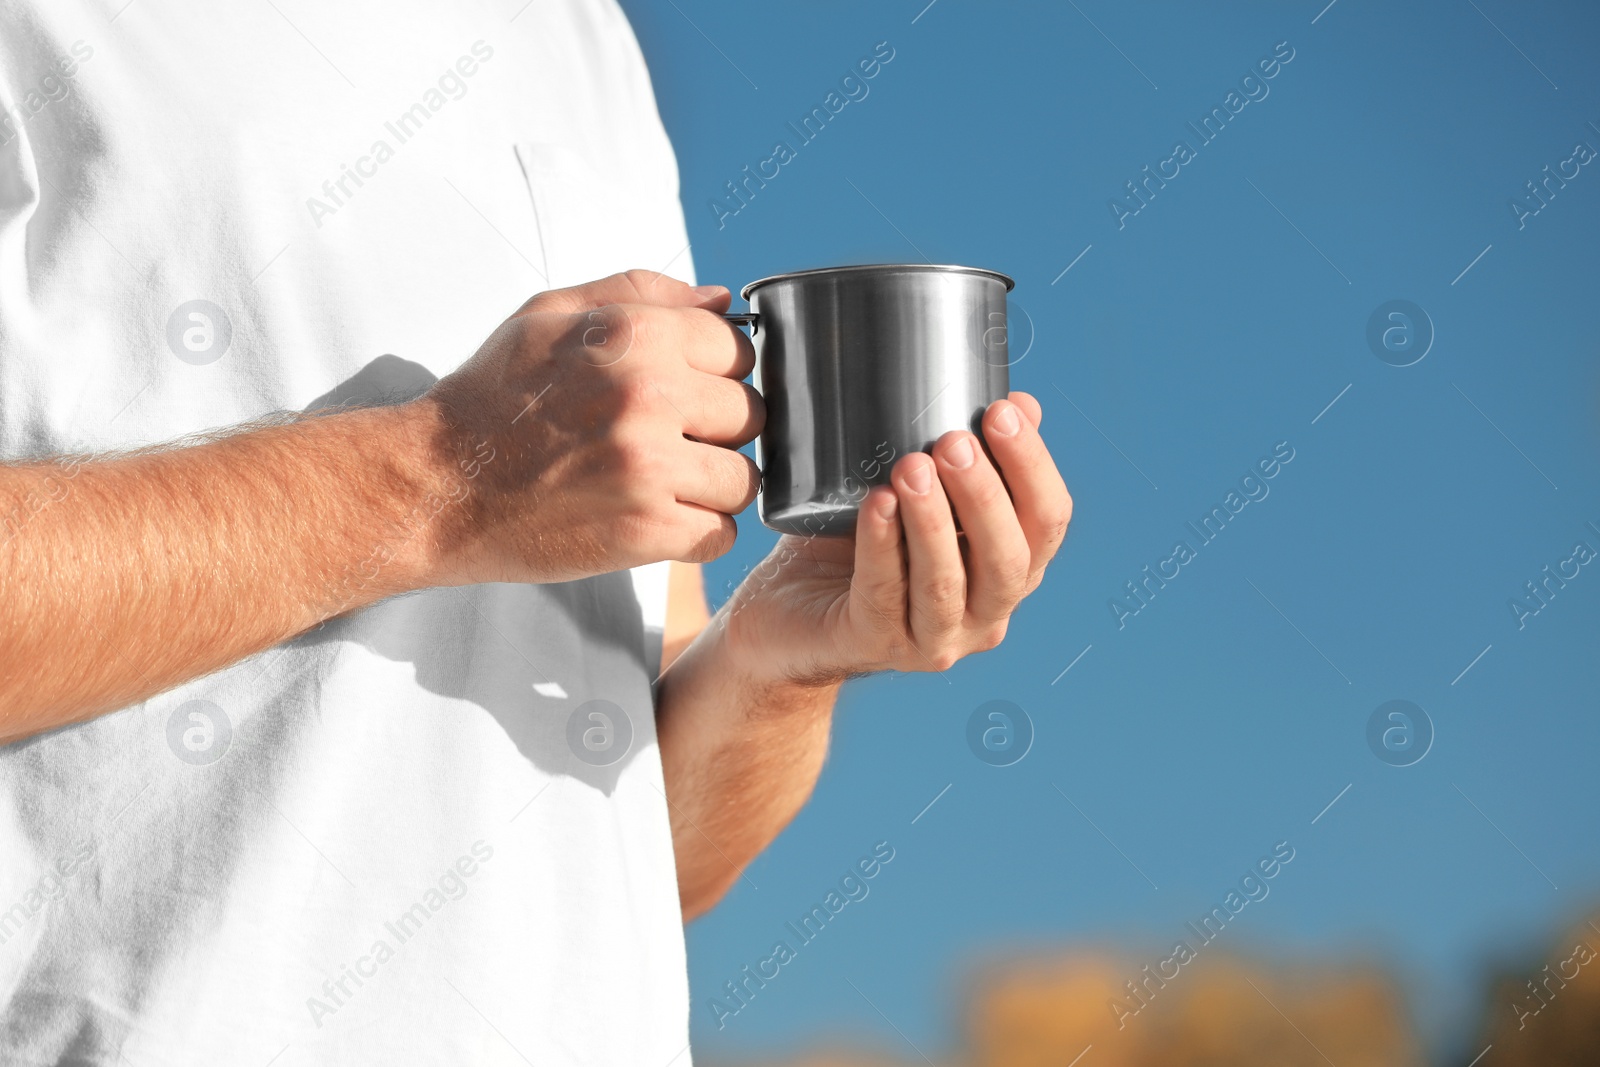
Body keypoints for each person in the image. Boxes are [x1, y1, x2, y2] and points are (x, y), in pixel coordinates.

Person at [0, 1, 1070, 1063]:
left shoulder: (581, 38)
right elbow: (462, 477)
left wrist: (777, 660)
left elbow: (644, 868)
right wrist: (445, 476)